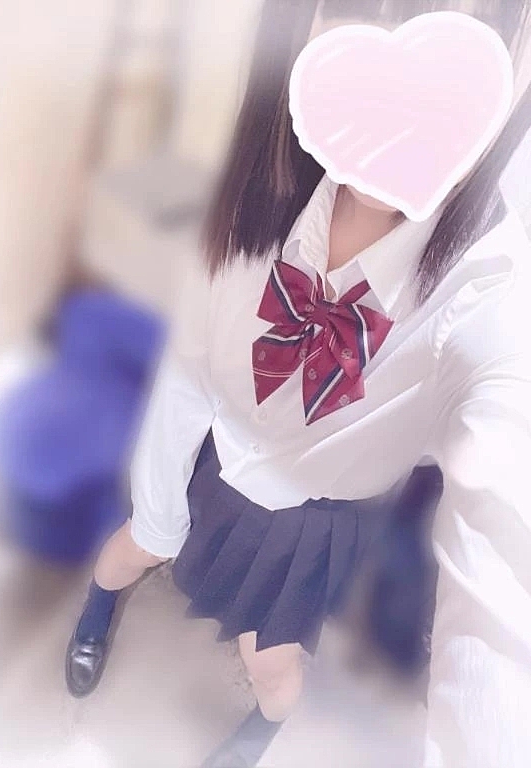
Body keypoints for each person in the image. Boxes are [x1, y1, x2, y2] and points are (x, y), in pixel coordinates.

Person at [65, 1, 531, 766]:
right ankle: (97, 610)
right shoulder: (251, 206)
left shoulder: (489, 288)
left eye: (451, 30)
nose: (402, 93)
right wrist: (160, 508)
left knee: (275, 669)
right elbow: (186, 373)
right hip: (213, 465)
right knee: (129, 551)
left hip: (308, 527)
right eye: (362, 10)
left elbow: (510, 517)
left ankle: (263, 730)